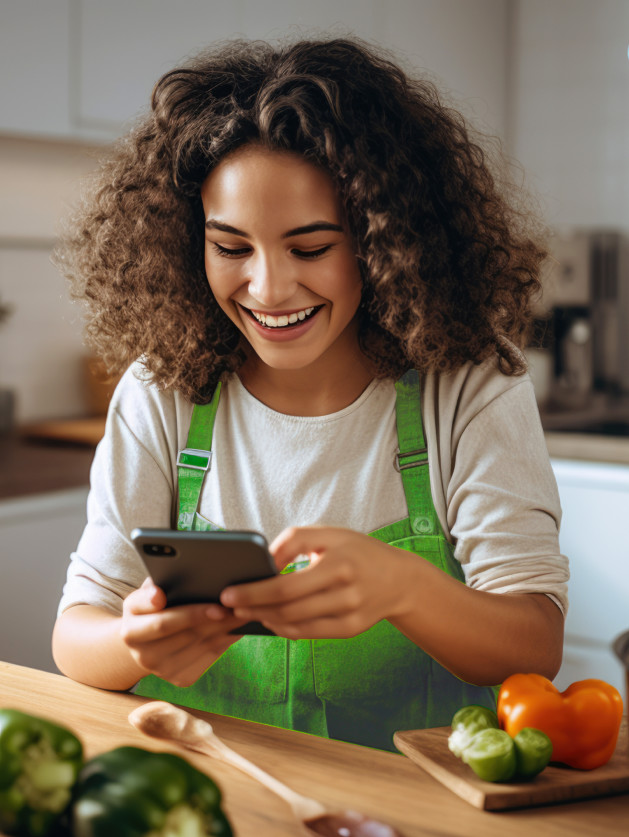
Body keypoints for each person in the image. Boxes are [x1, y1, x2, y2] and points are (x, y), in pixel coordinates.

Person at [52, 36, 568, 752]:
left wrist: (404, 590)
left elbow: (533, 643)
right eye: (230, 247)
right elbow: (77, 633)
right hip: (220, 796)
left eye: (310, 247)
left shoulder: (468, 385)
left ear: (385, 241)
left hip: (413, 809)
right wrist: (136, 640)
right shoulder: (160, 390)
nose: (268, 288)